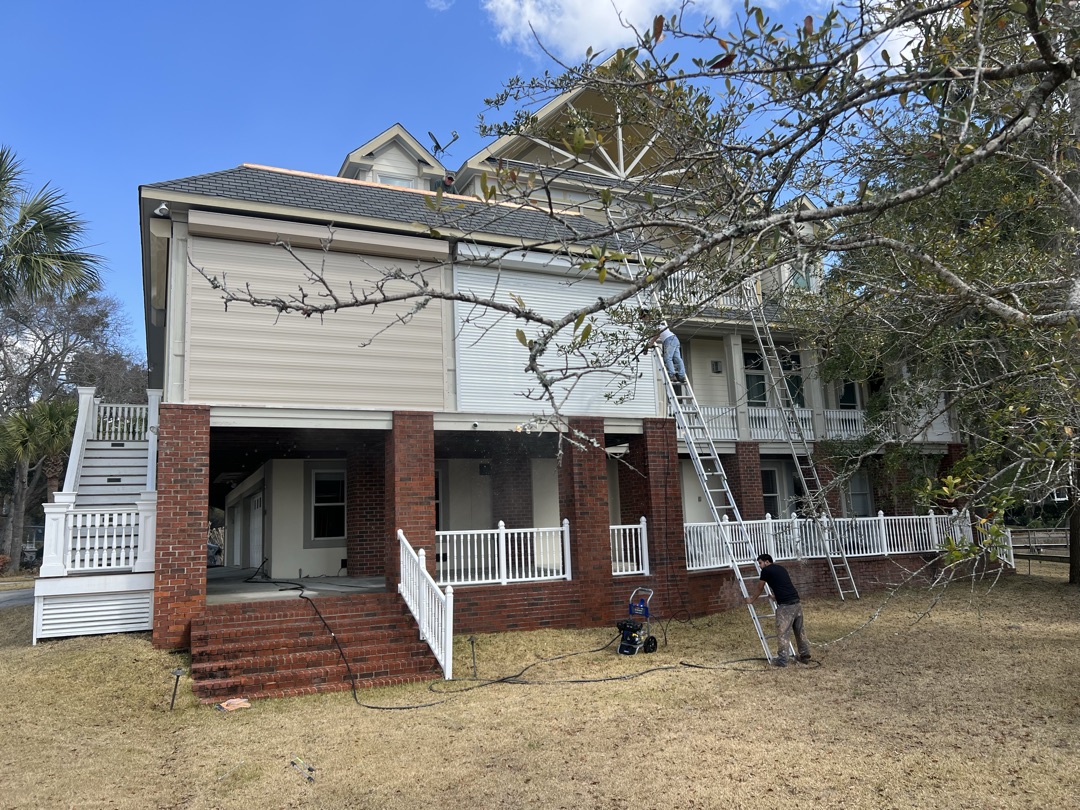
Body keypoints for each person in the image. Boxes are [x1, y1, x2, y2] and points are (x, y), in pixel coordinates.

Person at [744, 553, 811, 667]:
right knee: (799, 630)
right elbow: (784, 585)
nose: (759, 566)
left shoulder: (766, 571)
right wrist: (776, 597)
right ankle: (804, 655)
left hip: (785, 606)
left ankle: (782, 660)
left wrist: (751, 599)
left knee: (782, 633)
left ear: (767, 562)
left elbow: (760, 587)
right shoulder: (781, 568)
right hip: (796, 602)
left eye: (760, 563)